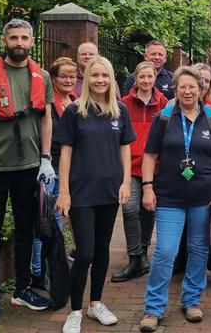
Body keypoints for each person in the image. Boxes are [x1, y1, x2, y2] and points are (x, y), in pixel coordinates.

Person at [0, 19, 55, 322]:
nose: (19, 43)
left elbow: (45, 119)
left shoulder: (42, 76)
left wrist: (46, 158)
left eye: (24, 38)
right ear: (5, 40)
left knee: (25, 229)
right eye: (14, 38)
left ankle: (21, 288)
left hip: (30, 165)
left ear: (32, 41)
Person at [139, 67, 211, 332]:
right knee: (165, 251)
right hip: (169, 196)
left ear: (202, 89)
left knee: (199, 250)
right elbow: (149, 156)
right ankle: (153, 307)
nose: (188, 91)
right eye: (183, 87)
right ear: (176, 89)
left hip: (205, 198)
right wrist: (148, 187)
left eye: (193, 86)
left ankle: (191, 301)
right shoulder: (164, 118)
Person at [56, 56, 135, 333]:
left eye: (105, 75)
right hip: (81, 192)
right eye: (95, 75)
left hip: (109, 191)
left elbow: (125, 148)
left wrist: (126, 182)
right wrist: (64, 192)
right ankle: (75, 311)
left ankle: (96, 303)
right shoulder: (74, 111)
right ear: (86, 78)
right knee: (85, 252)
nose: (100, 80)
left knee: (102, 251)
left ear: (111, 79)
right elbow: (65, 154)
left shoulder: (120, 111)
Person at [111, 61, 169, 283]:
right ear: (135, 78)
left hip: (155, 167)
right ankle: (135, 257)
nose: (145, 81)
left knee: (149, 210)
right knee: (129, 208)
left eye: (150, 77)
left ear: (155, 78)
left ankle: (143, 254)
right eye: (141, 77)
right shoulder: (123, 104)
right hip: (130, 166)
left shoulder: (164, 104)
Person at [30, 56, 78, 288]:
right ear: (53, 78)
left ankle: (51, 269)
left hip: (69, 170)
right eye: (63, 76)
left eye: (73, 76)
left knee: (58, 220)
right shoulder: (49, 103)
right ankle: (39, 271)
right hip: (51, 168)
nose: (69, 80)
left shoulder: (75, 101)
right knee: (46, 221)